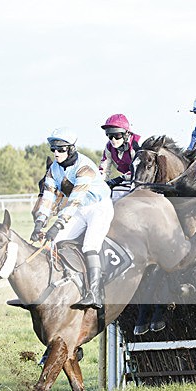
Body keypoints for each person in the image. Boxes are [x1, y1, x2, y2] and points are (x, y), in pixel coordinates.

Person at [31, 127, 114, 309]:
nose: (56, 153)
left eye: (61, 149)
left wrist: (56, 225)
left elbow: (74, 201)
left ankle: (95, 294)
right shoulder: (53, 169)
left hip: (98, 208)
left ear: (71, 149)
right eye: (53, 149)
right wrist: (39, 223)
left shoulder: (84, 168)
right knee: (53, 243)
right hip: (80, 209)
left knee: (90, 246)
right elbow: (48, 197)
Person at [99, 113, 141, 186]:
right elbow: (104, 170)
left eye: (117, 135)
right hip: (129, 180)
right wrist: (100, 184)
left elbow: (139, 170)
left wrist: (121, 178)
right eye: (110, 135)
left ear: (126, 133)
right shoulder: (109, 147)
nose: (113, 140)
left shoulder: (137, 144)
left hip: (145, 180)